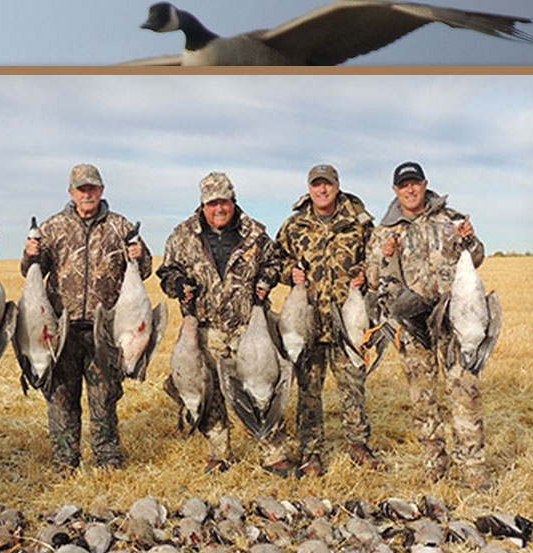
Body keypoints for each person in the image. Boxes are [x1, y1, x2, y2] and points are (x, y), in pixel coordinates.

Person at [156, 171, 291, 476]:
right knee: (209, 392)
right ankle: (219, 452)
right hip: (205, 327)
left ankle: (274, 453)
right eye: (212, 203)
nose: (219, 208)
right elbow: (166, 273)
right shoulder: (182, 235)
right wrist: (179, 284)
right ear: (202, 204)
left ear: (234, 201)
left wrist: (266, 279)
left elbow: (274, 262)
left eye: (225, 202)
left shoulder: (255, 232)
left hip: (248, 328)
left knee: (263, 387)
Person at [364, 161, 489, 488]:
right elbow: (374, 278)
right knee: (423, 398)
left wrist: (470, 240)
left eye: (415, 183)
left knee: (465, 391)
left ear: (424, 184)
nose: (410, 190)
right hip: (412, 322)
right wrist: (386, 255)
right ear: (395, 190)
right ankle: (435, 466)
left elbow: (475, 258)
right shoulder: (384, 231)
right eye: (403, 185)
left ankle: (473, 470)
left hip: (453, 319)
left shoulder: (450, 219)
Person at [23, 163, 150, 470]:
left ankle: (107, 458)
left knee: (104, 397)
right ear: (71, 193)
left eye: (92, 188)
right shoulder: (52, 228)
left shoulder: (121, 227)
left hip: (104, 329)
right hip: (62, 328)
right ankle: (65, 460)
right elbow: (30, 273)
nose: (87, 194)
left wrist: (139, 255)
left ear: (102, 190)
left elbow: (144, 271)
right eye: (81, 189)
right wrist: (30, 254)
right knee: (61, 397)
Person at [274, 164, 381, 477]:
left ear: (337, 186)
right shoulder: (294, 225)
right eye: (316, 185)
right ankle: (311, 452)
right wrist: (287, 273)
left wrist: (365, 275)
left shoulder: (359, 223)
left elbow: (376, 260)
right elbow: (275, 259)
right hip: (308, 321)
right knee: (308, 391)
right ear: (309, 188)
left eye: (327, 184)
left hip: (348, 320)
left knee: (353, 386)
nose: (322, 190)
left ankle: (358, 444)